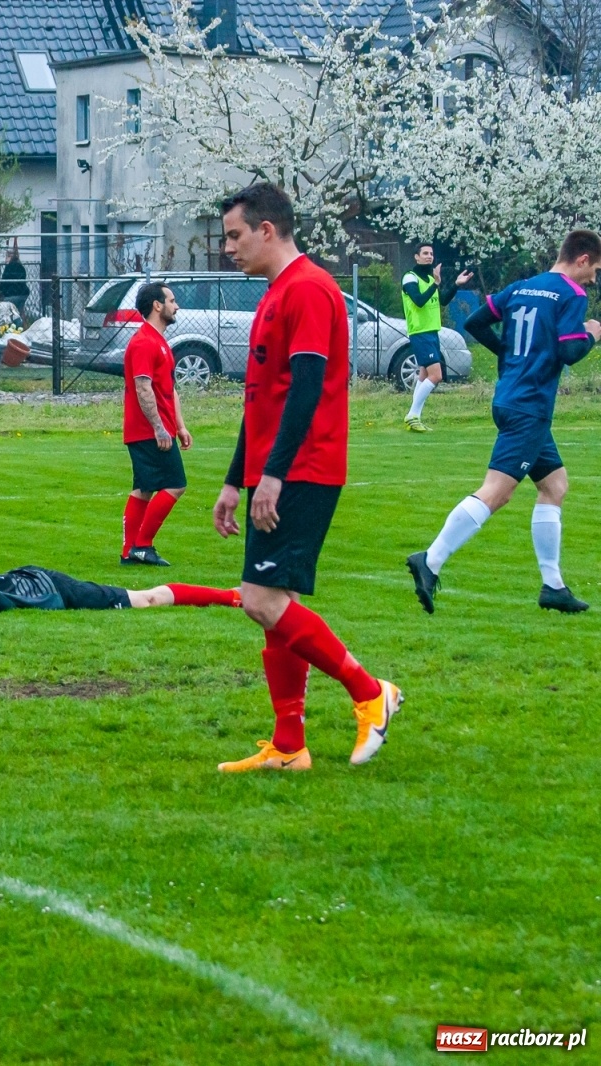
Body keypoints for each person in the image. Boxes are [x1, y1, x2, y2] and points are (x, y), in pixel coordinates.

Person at [211, 183, 401, 773]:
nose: (228, 249)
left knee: (261, 599)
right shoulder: (274, 293)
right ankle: (289, 746)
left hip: (303, 469)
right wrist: (235, 480)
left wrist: (273, 475)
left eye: (234, 236)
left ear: (267, 229)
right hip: (276, 471)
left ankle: (369, 691)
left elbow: (307, 390)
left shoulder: (311, 288)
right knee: (278, 604)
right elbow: (262, 399)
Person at [407, 230, 601, 615]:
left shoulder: (522, 287)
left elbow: (476, 322)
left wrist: (509, 355)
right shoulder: (572, 294)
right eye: (595, 269)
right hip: (530, 406)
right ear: (582, 259)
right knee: (497, 492)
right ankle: (430, 559)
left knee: (555, 485)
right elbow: (569, 350)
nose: (594, 278)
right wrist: (592, 335)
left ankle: (553, 586)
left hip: (511, 397)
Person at [121, 281, 192, 566]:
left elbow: (169, 389)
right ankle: (142, 545)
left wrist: (180, 426)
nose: (177, 307)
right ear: (157, 305)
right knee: (176, 484)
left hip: (157, 429)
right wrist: (159, 428)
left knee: (144, 488)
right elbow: (143, 387)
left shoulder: (160, 342)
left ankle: (129, 552)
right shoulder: (143, 342)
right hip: (148, 431)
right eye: (172, 301)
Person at [0, 566, 240, 613]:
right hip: (32, 578)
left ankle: (233, 596)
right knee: (145, 598)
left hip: (47, 587)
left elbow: (3, 606)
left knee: (146, 599)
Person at [400, 245, 474, 431]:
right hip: (420, 332)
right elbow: (418, 301)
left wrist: (456, 284)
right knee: (436, 375)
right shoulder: (410, 277)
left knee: (424, 374)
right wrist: (435, 284)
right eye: (425, 253)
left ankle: (415, 417)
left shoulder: (431, 279)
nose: (429, 256)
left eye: (431, 254)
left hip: (432, 331)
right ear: (416, 257)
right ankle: (412, 414)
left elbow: (442, 301)